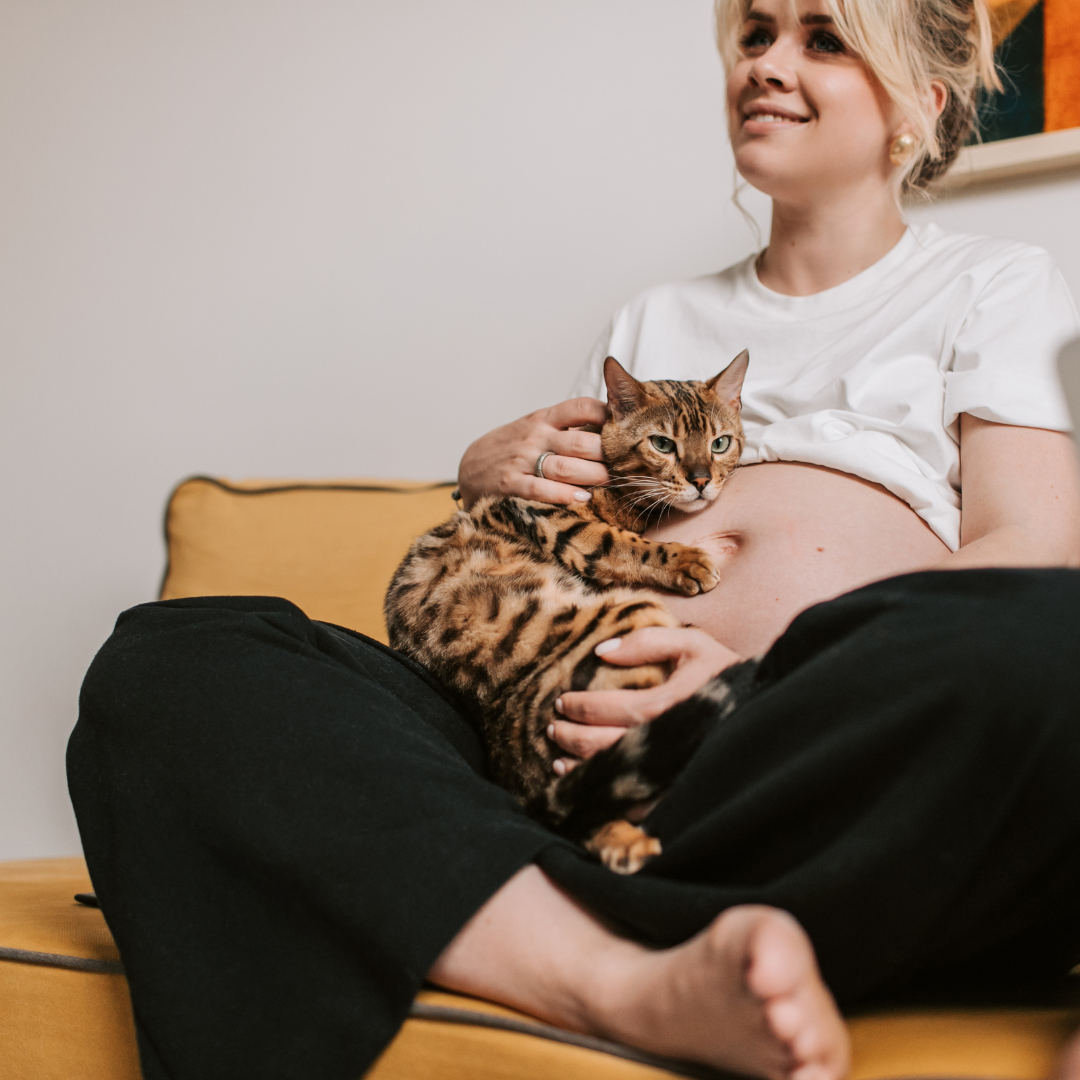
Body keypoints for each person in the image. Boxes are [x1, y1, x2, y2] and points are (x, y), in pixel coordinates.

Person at [67, 1, 1080, 1079]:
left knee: (1058, 633)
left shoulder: (991, 285)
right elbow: (532, 560)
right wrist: (482, 479)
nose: (768, 64)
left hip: (803, 744)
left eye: (822, 38)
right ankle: (617, 982)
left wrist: (756, 677)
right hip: (565, 758)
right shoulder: (652, 321)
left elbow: (1031, 549)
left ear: (920, 104)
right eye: (755, 35)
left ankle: (545, 897)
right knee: (175, 664)